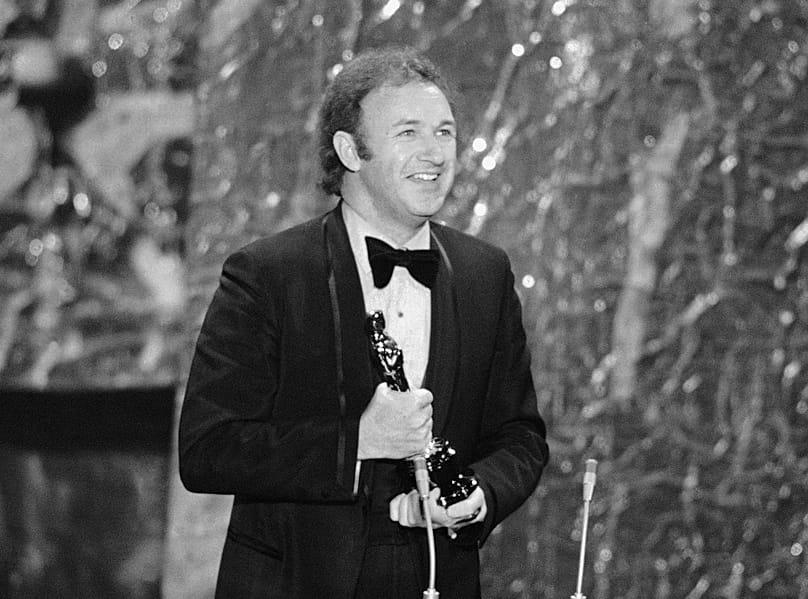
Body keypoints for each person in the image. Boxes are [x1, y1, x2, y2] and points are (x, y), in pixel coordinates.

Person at [178, 46, 549, 599]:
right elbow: (208, 450)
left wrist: (477, 496)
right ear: (350, 151)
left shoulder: (484, 273)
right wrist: (357, 442)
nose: (435, 152)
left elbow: (519, 436)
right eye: (408, 133)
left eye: (444, 132)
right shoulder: (268, 274)